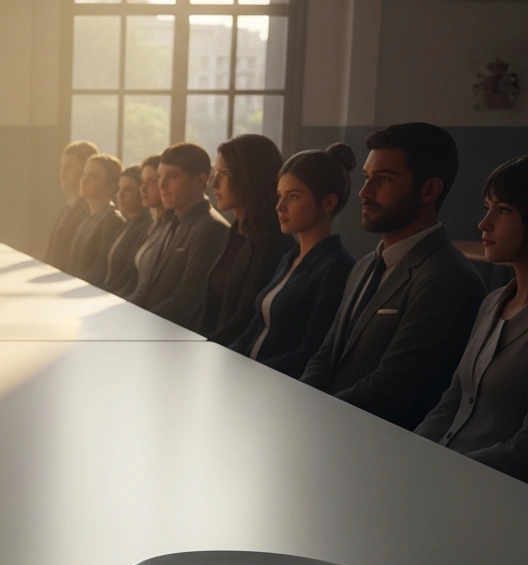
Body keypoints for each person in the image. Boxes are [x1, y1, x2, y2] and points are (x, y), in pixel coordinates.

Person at [301, 122, 485, 430]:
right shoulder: (363, 266)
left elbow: (393, 388)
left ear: (429, 190)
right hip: (328, 430)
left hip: (379, 448)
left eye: (383, 179)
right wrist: (297, 401)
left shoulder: (449, 279)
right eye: (366, 177)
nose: (364, 192)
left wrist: (313, 417)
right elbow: (326, 354)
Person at [415, 155, 528, 481]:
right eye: (486, 207)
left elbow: (522, 451)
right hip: (445, 472)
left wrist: (445, 471)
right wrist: (411, 452)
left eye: (504, 210)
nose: (484, 223)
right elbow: (453, 399)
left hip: (494, 492)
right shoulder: (493, 302)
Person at [230, 144, 358, 377]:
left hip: (277, 388)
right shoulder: (290, 257)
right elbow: (256, 328)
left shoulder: (337, 267)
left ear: (328, 203)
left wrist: (247, 374)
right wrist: (223, 360)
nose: (279, 207)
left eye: (294, 197)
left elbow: (311, 353)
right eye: (279, 196)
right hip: (249, 378)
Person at [196, 135, 295, 344]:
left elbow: (245, 322)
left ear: (250, 176)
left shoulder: (273, 242)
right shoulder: (235, 231)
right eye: (216, 172)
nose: (213, 183)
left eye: (224, 173)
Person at [128, 143, 230, 329]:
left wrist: (137, 322)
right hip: (154, 328)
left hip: (175, 338)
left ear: (200, 181)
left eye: (172, 177)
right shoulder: (174, 221)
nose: (161, 185)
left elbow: (188, 299)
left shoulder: (210, 228)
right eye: (160, 177)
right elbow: (151, 288)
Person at [114, 155, 169, 299]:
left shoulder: (151, 226)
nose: (143, 189)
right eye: (143, 182)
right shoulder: (154, 225)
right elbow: (131, 279)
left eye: (151, 181)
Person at [67, 153, 125, 284]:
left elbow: (101, 269)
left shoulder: (112, 221)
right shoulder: (86, 219)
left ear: (110, 186)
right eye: (84, 174)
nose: (84, 180)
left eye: (93, 176)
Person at [43, 140, 99, 271]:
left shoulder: (89, 211)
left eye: (69, 167)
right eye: (61, 167)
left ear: (85, 170)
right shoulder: (69, 207)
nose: (62, 172)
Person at [97, 164, 154, 293]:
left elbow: (128, 277)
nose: (120, 195)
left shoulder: (145, 227)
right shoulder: (127, 223)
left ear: (142, 192)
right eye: (119, 189)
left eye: (128, 190)